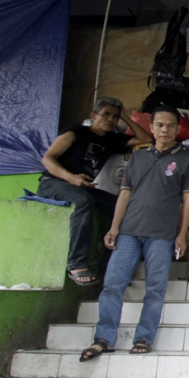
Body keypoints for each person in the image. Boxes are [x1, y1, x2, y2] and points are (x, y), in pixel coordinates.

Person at [81, 107, 189, 360]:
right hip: (129, 232)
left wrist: (182, 234)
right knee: (113, 285)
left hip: (162, 235)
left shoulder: (187, 160)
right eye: (159, 125)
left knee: (155, 288)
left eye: (170, 125)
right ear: (152, 128)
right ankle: (104, 338)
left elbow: (188, 200)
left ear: (178, 129)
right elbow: (125, 193)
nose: (164, 130)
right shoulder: (137, 157)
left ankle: (144, 338)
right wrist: (115, 227)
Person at [39, 96, 141, 286]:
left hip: (83, 186)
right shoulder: (75, 132)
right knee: (84, 201)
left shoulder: (112, 139)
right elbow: (48, 159)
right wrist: (71, 177)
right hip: (53, 182)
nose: (110, 120)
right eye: (106, 114)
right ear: (93, 115)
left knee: (121, 209)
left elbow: (145, 139)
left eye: (115, 117)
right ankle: (77, 265)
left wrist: (126, 117)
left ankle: (109, 269)